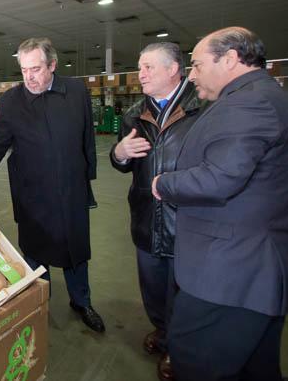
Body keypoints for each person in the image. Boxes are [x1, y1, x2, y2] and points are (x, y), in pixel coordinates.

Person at [152, 27, 288, 381]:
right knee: (255, 368)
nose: (192, 75)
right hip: (250, 271)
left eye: (197, 65)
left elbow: (220, 178)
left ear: (230, 59)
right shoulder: (262, 96)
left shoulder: (249, 103)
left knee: (195, 360)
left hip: (229, 272)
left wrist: (163, 183)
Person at [0, 37, 103, 332]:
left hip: (71, 190)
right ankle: (40, 302)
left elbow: (87, 136)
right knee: (36, 253)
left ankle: (82, 301)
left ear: (52, 65)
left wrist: (87, 177)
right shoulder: (12, 101)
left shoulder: (75, 91)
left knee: (76, 251)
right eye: (24, 70)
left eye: (35, 69)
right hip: (32, 194)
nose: (29, 77)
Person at [111, 42, 203, 380]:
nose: (141, 74)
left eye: (148, 67)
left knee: (182, 290)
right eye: (140, 67)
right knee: (152, 284)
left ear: (173, 69)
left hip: (187, 218)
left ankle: (178, 349)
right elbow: (122, 164)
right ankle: (163, 332)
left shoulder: (203, 108)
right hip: (147, 216)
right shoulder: (134, 114)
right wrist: (120, 153)